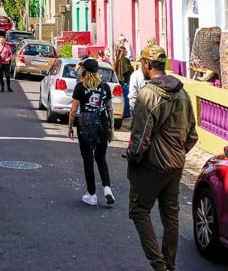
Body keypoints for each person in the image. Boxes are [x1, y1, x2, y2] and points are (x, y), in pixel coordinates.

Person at [126, 44, 199, 271]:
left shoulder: (149, 95)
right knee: (171, 216)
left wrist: (134, 158)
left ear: (147, 65)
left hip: (153, 166)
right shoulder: (183, 93)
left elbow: (140, 138)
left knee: (138, 211)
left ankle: (160, 266)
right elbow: (192, 135)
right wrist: (178, 152)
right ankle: (170, 264)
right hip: (175, 166)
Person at [67, 57, 115, 206]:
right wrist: (111, 129)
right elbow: (110, 109)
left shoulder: (80, 87)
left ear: (85, 71)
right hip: (102, 124)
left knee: (88, 159)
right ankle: (107, 188)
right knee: (101, 157)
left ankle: (91, 194)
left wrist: (70, 127)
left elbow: (73, 110)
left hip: (85, 125)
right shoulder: (105, 87)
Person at [114, 46, 134, 119]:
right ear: (123, 52)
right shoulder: (124, 60)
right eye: (125, 51)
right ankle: (126, 114)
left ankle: (124, 113)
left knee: (122, 98)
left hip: (120, 81)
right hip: (125, 81)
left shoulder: (117, 60)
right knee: (126, 98)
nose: (127, 52)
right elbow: (126, 71)